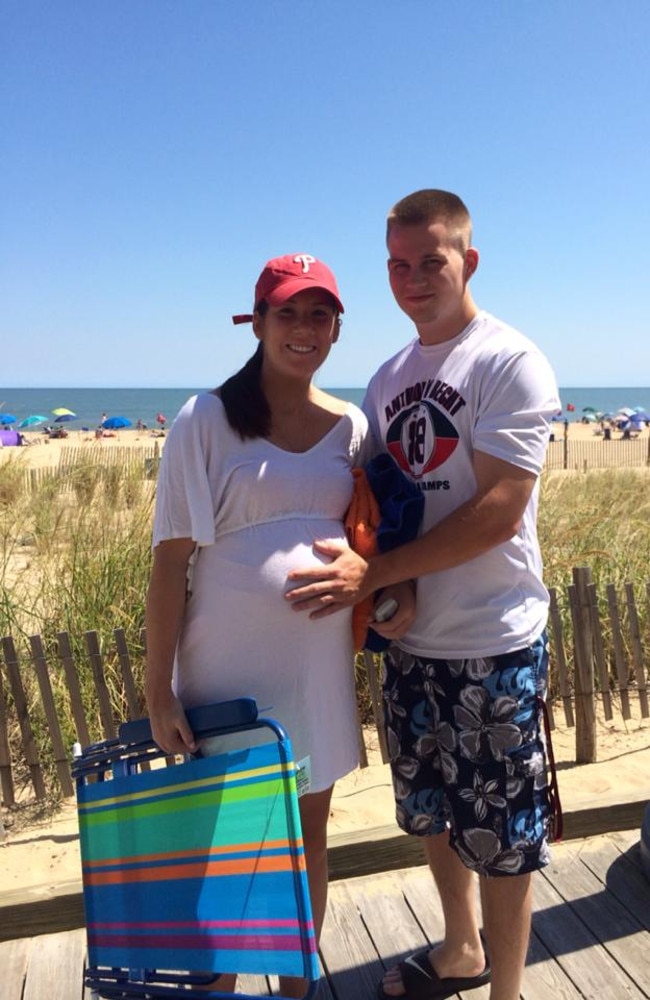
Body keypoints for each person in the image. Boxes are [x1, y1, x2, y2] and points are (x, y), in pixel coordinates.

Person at [284, 190, 560, 1000]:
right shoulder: (386, 378)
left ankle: (506, 989)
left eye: (430, 262)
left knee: (506, 833)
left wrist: (379, 576)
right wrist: (385, 583)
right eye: (398, 265)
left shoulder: (509, 360)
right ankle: (461, 948)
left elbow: (501, 509)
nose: (412, 279)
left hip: (493, 638)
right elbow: (382, 502)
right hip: (413, 643)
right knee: (433, 811)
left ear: (467, 261)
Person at [145, 252, 401, 998]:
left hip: (316, 674)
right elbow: (169, 566)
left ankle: (296, 988)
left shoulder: (351, 426)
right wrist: (158, 693)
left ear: (336, 329)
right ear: (257, 323)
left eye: (319, 314)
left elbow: (375, 538)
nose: (303, 328)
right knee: (223, 852)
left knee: (306, 841)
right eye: (287, 312)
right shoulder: (206, 419)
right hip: (225, 677)